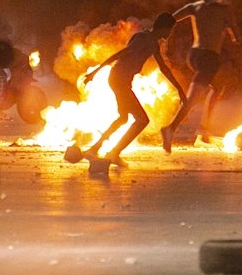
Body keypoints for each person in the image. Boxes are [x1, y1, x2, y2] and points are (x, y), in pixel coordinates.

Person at [65, 13, 185, 170]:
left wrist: (180, 89)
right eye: (170, 29)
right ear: (163, 28)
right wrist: (96, 71)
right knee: (142, 120)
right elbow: (123, 53)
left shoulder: (154, 44)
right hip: (119, 79)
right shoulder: (142, 38)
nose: (170, 34)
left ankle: (97, 148)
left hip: (122, 81)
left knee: (123, 118)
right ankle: (113, 152)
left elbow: (164, 68)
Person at [161, 0, 239, 151]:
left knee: (217, 87)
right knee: (193, 97)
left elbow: (170, 20)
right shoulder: (225, 9)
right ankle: (171, 128)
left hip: (194, 56)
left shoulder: (194, 7)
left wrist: (164, 38)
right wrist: (233, 36)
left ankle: (204, 130)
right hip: (209, 58)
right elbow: (235, 33)